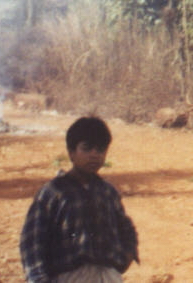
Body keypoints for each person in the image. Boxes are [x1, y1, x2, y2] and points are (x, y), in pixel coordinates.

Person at [20, 115, 140, 283]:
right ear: (71, 153)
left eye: (100, 149)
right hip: (68, 277)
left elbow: (126, 227)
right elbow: (32, 241)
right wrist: (39, 278)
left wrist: (127, 255)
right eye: (86, 148)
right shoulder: (53, 193)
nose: (94, 155)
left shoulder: (108, 192)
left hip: (107, 276)